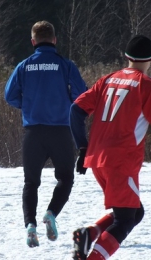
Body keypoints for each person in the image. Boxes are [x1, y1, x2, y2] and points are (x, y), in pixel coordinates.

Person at [4, 20, 87, 247]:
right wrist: (66, 102)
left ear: (33, 42)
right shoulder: (65, 64)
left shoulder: (24, 65)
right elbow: (82, 95)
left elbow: (9, 96)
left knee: (31, 183)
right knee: (66, 179)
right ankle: (51, 214)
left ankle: (30, 225)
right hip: (60, 131)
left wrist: (29, 104)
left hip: (33, 132)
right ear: (54, 40)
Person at [70, 35, 151, 259]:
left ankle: (88, 234)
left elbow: (75, 111)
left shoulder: (107, 79)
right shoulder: (145, 86)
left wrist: (83, 148)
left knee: (134, 212)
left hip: (97, 159)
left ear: (126, 56)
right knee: (125, 219)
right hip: (121, 161)